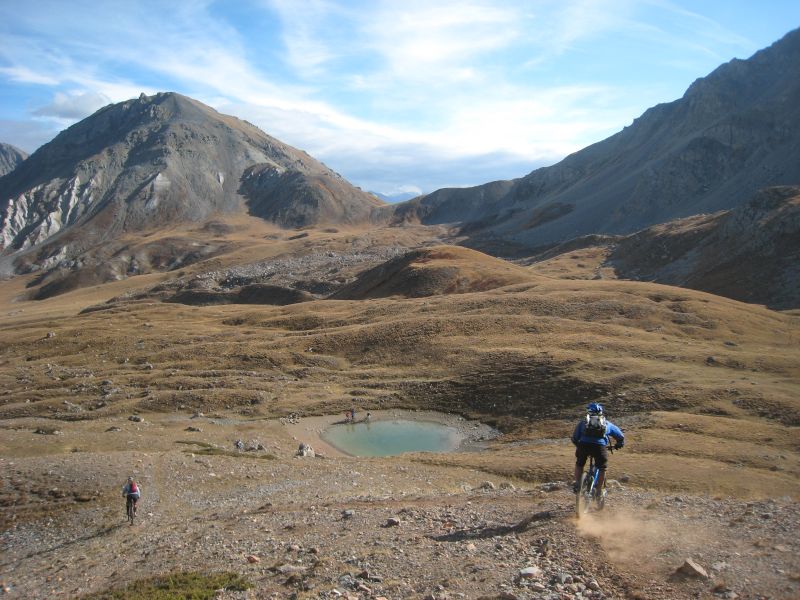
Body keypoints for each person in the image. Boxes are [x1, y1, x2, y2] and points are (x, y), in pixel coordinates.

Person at [571, 402, 624, 495]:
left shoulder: (583, 423)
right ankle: (599, 490)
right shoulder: (606, 423)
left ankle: (578, 484)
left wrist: (578, 446)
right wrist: (619, 444)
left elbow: (575, 437)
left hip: (583, 445)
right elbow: (620, 436)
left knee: (579, 463)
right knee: (602, 467)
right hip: (599, 447)